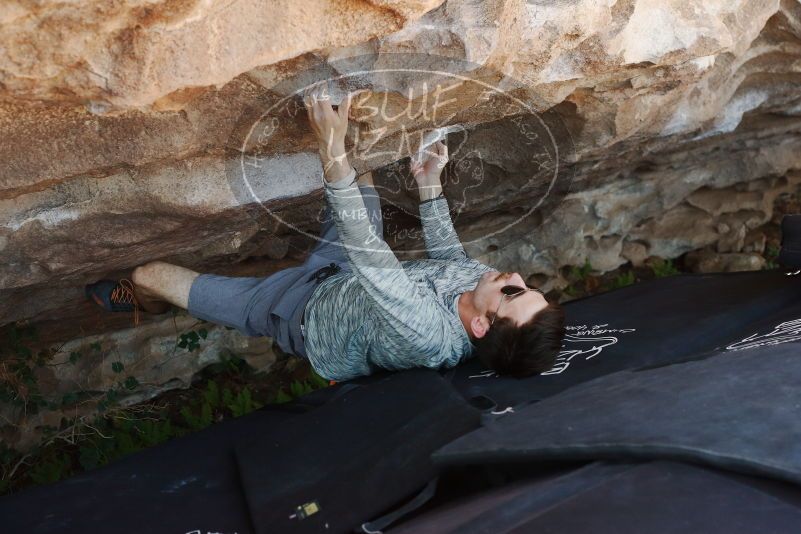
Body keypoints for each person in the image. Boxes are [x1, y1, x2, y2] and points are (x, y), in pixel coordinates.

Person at [86, 87, 566, 381]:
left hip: (293, 313)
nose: (515, 275)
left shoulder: (429, 338)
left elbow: (373, 257)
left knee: (149, 274)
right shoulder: (483, 289)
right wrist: (429, 185)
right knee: (363, 170)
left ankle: (145, 302)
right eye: (531, 286)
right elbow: (452, 260)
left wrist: (329, 147)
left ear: (481, 327)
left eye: (513, 292)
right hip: (342, 270)